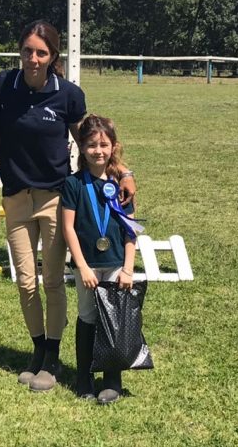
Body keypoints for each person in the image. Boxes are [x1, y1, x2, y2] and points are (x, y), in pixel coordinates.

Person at [0, 20, 136, 392]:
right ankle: (38, 349)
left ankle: (52, 356)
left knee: (51, 281)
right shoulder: (0, 85)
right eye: (28, 51)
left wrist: (124, 171)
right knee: (25, 282)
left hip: (54, 199)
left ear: (53, 56)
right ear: (19, 50)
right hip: (16, 198)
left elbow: (92, 142)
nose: (33, 59)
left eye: (42, 53)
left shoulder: (68, 95)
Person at [61, 114, 136, 404]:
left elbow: (130, 230)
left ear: (113, 147)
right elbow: (68, 228)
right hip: (88, 266)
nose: (98, 151)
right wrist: (82, 266)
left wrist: (128, 269)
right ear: (81, 147)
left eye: (104, 145)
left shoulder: (122, 185)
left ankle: (112, 378)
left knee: (114, 319)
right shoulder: (73, 184)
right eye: (92, 145)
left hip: (116, 263)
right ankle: (84, 376)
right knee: (88, 317)